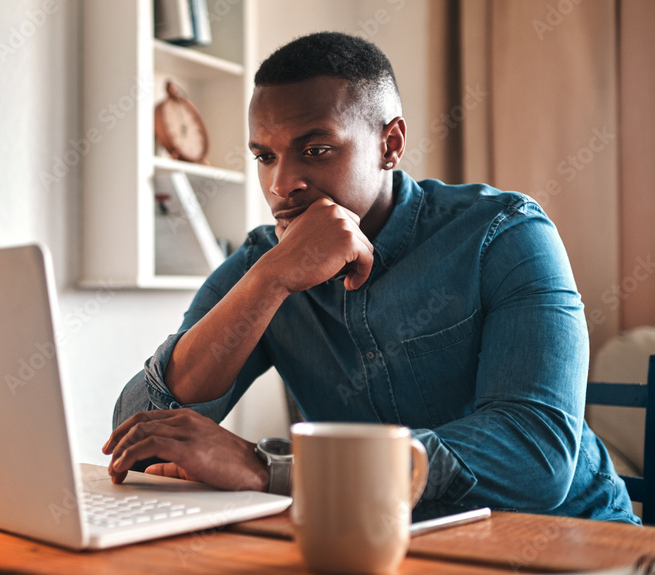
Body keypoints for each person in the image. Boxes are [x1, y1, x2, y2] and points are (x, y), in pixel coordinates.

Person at [102, 31, 639, 524]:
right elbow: (137, 436)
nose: (281, 184)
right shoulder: (263, 263)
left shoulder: (504, 235)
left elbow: (535, 457)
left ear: (391, 144)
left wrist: (278, 469)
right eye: (265, 156)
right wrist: (268, 282)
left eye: (316, 150)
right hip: (379, 540)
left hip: (566, 538)